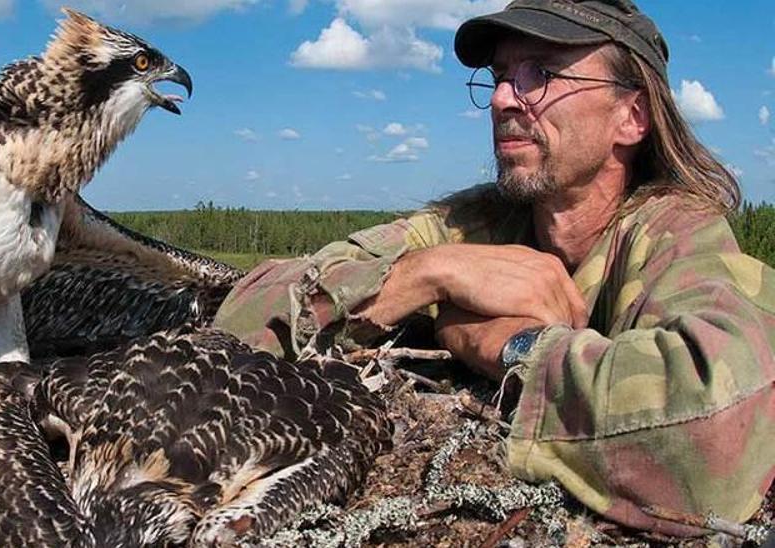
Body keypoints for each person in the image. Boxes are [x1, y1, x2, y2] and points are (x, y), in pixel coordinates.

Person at [214, 0, 775, 536]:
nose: (505, 98)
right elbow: (242, 317)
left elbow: (715, 425)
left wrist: (503, 344)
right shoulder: (470, 225)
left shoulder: (678, 233)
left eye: (543, 75)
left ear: (632, 117)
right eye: (502, 75)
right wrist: (428, 273)